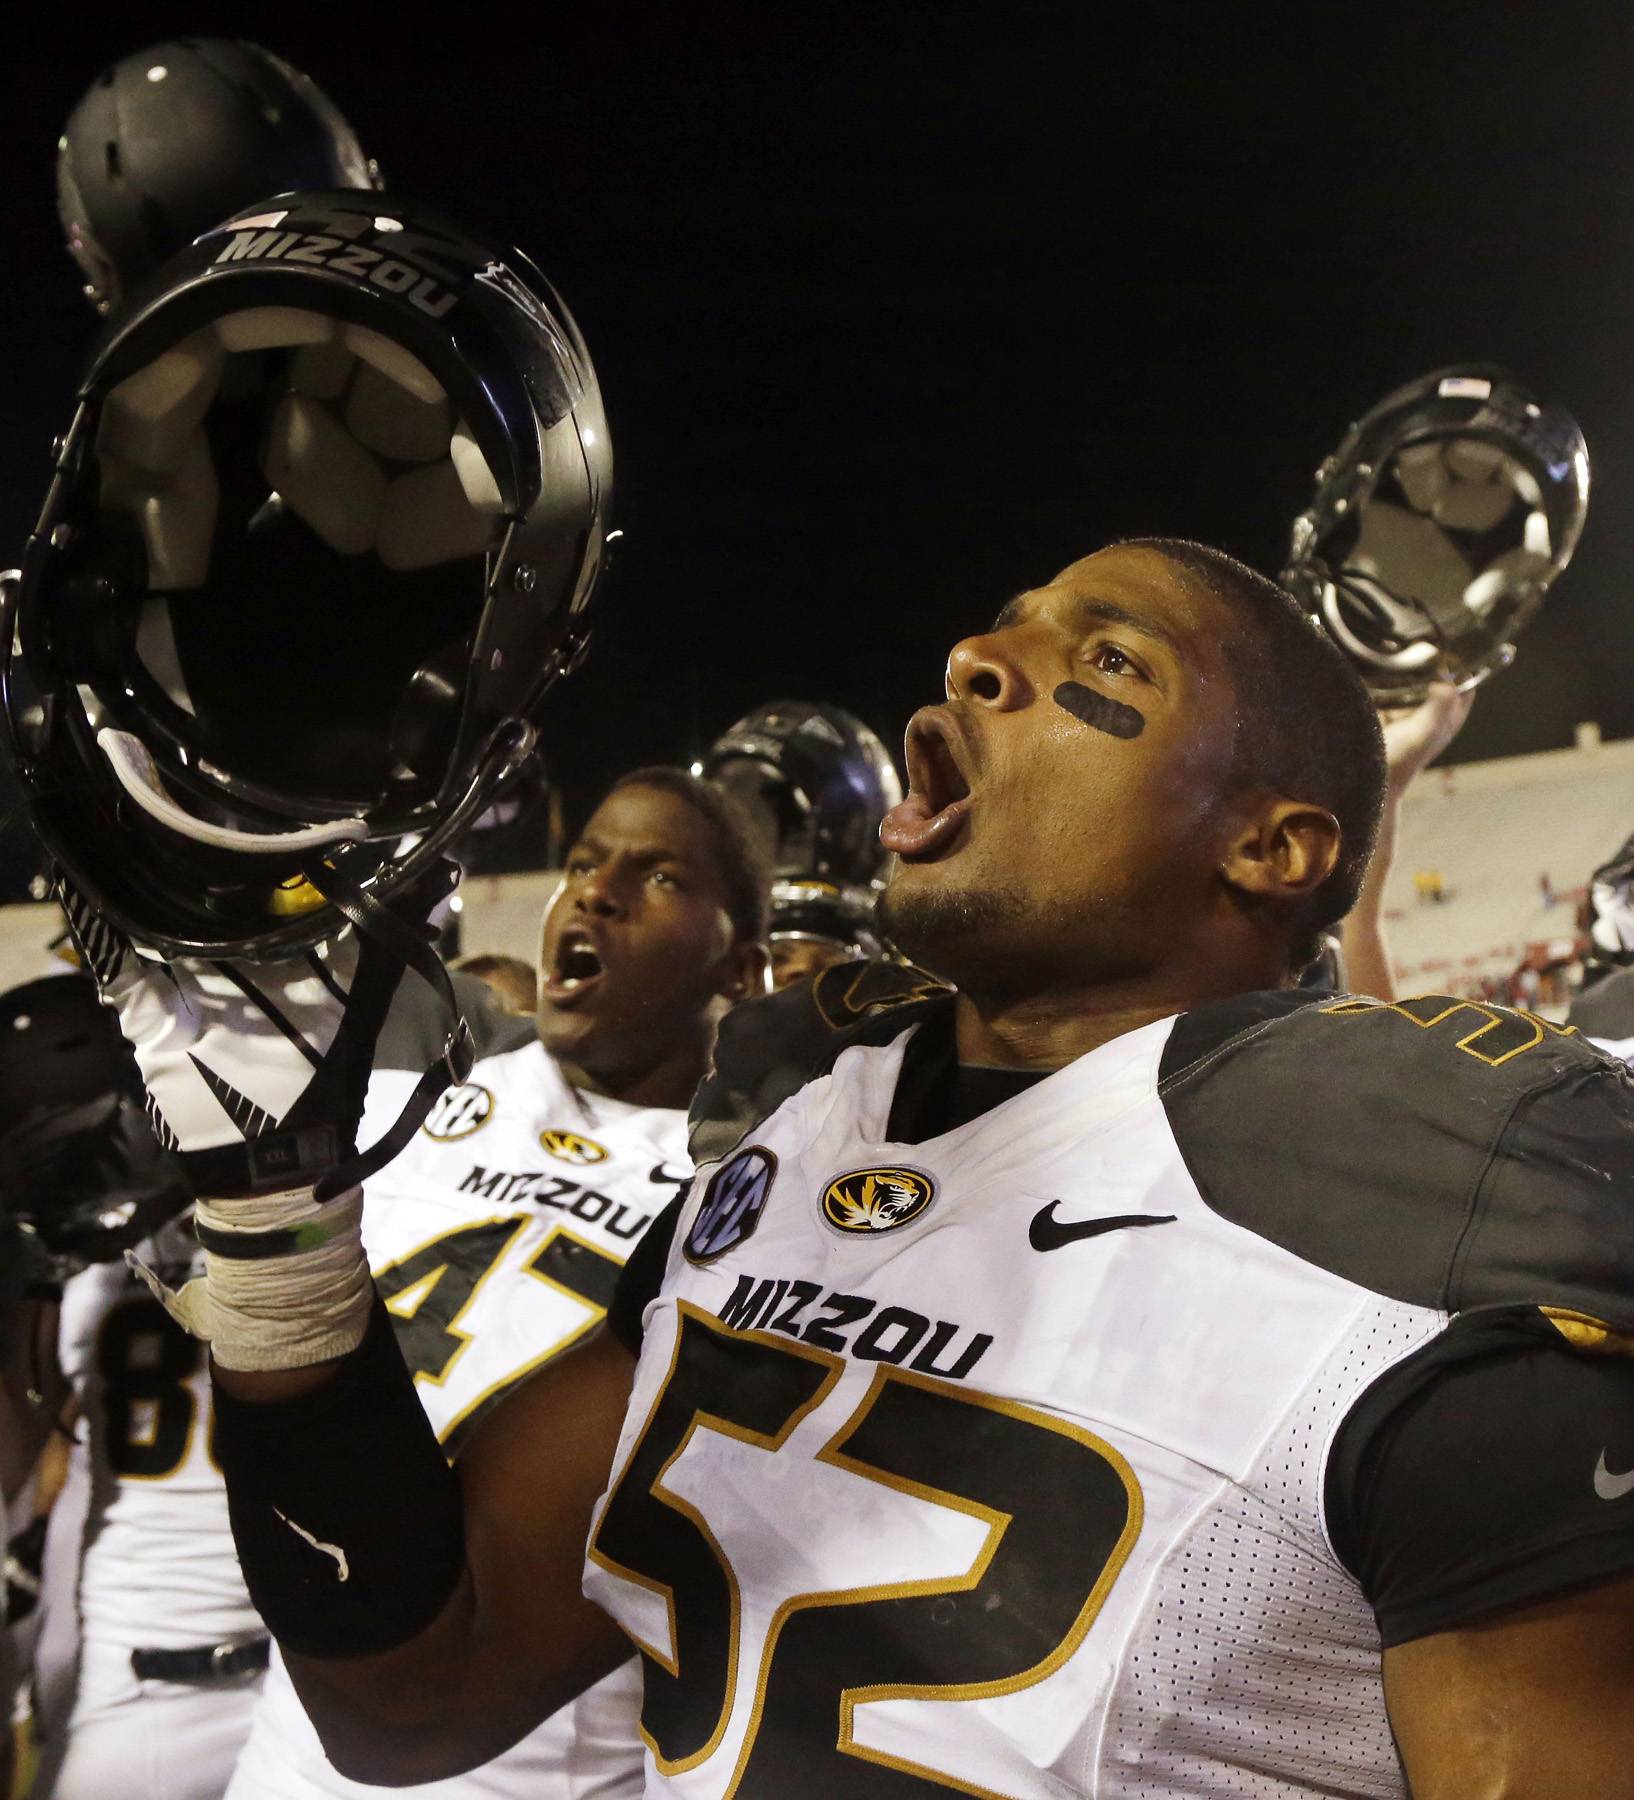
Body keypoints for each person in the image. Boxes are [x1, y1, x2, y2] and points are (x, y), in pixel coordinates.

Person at [88, 541, 1634, 1796]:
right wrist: (278, 1223)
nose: (978, 657)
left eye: (1106, 665)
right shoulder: (795, 1140)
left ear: (1274, 848)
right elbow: (413, 1696)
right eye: (1004, 628)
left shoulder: (1411, 1233)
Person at [224, 768, 769, 1800]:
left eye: (656, 877)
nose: (593, 893)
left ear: (737, 968)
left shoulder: (743, 1191)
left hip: (532, 1748)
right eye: (582, 863)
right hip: (303, 1720)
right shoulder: (415, 1105)